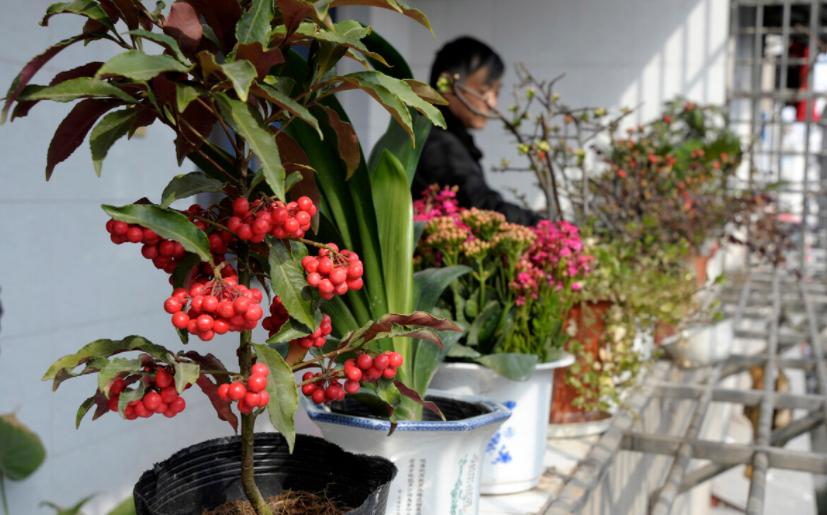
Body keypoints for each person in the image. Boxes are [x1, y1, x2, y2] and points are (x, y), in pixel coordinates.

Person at [414, 36, 541, 226]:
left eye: (496, 93)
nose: (492, 103)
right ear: (448, 85)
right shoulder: (438, 144)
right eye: (483, 91)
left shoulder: (441, 135)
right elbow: (482, 207)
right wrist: (543, 225)